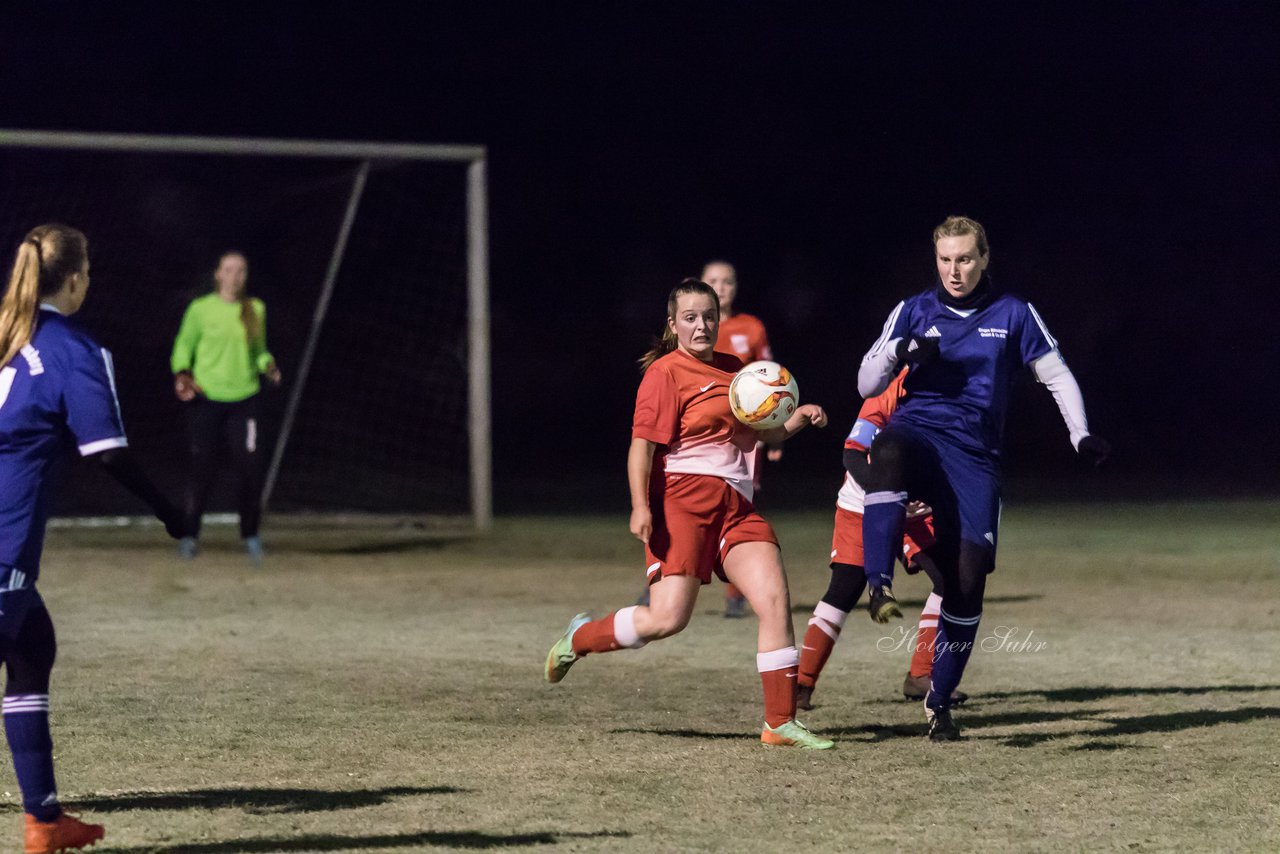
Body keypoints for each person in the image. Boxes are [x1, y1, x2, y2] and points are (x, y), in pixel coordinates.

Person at [545, 278, 835, 749]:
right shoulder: (665, 372)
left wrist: (798, 418)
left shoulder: (736, 370)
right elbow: (641, 447)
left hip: (736, 504)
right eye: (691, 317)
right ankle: (580, 638)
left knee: (775, 599)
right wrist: (640, 506)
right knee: (667, 619)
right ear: (673, 324)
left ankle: (779, 723)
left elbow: (763, 434)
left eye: (709, 316)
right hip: (681, 501)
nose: (702, 325)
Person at [857, 215, 1109, 740]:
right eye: (946, 260)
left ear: (984, 259)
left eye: (965, 259)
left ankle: (939, 702)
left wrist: (1079, 435)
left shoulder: (1012, 314)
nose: (955, 270)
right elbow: (866, 382)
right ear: (936, 260)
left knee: (967, 584)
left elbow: (1056, 374)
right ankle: (878, 583)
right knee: (888, 447)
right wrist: (901, 351)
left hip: (975, 457)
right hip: (921, 433)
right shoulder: (914, 310)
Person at [0, 224, 183, 852]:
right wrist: (169, 510)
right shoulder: (72, 348)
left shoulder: (4, 337)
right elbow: (106, 453)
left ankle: (44, 824)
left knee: (30, 648)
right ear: (75, 278)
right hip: (1, 547)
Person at [796, 367, 966, 709]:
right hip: (864, 505)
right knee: (845, 588)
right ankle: (801, 684)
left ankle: (921, 677)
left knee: (952, 579)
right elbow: (852, 454)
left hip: (917, 510)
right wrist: (886, 496)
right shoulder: (887, 390)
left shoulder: (955, 394)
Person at [170, 251, 281, 563]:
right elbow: (183, 345)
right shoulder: (200, 309)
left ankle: (250, 535)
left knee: (251, 469)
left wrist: (267, 364)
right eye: (229, 270)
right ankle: (189, 535)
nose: (235, 276)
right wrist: (182, 372)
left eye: (241, 271)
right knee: (201, 468)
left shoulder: (254, 309)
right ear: (218, 274)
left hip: (245, 400)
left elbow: (258, 351)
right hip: (207, 399)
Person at [703, 260, 779, 617]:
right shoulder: (694, 329)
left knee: (740, 509)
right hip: (700, 435)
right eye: (713, 281)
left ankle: (736, 594)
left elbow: (772, 381)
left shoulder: (751, 327)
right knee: (690, 507)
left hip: (745, 437)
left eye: (727, 281)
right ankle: (663, 579)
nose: (721, 287)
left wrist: (773, 433)